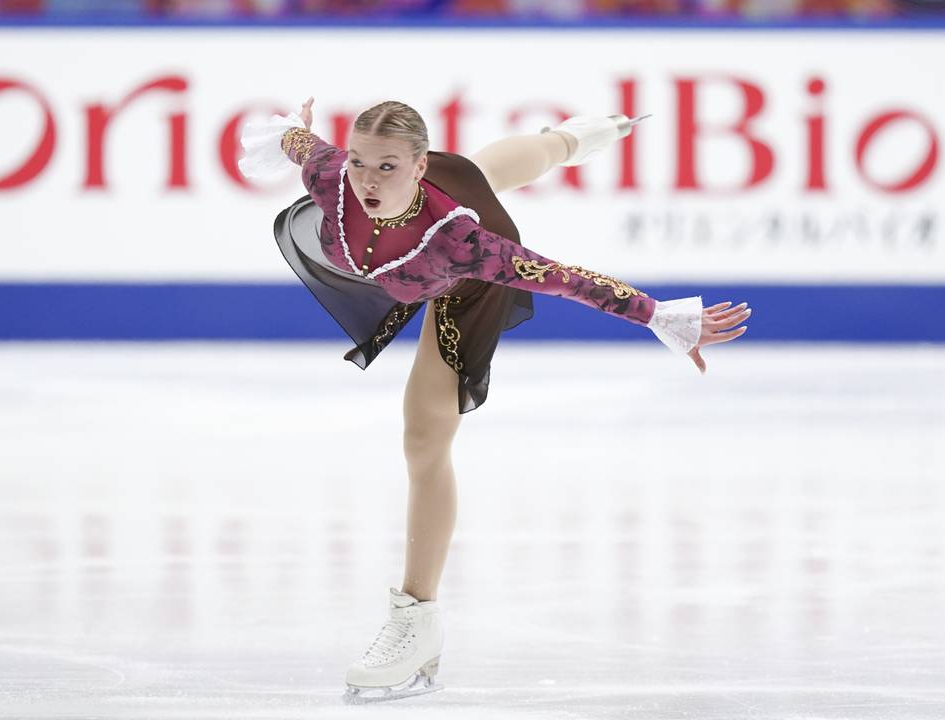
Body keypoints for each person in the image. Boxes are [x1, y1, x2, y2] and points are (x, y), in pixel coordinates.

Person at [239, 97, 751, 704]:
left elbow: (565, 278)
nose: (367, 180)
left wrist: (660, 315)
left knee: (424, 434)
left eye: (387, 167)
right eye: (359, 162)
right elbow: (307, 147)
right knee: (481, 170)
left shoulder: (468, 245)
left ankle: (415, 619)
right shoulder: (333, 178)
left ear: (418, 164)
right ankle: (572, 134)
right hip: (427, 218)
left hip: (459, 280)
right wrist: (295, 132)